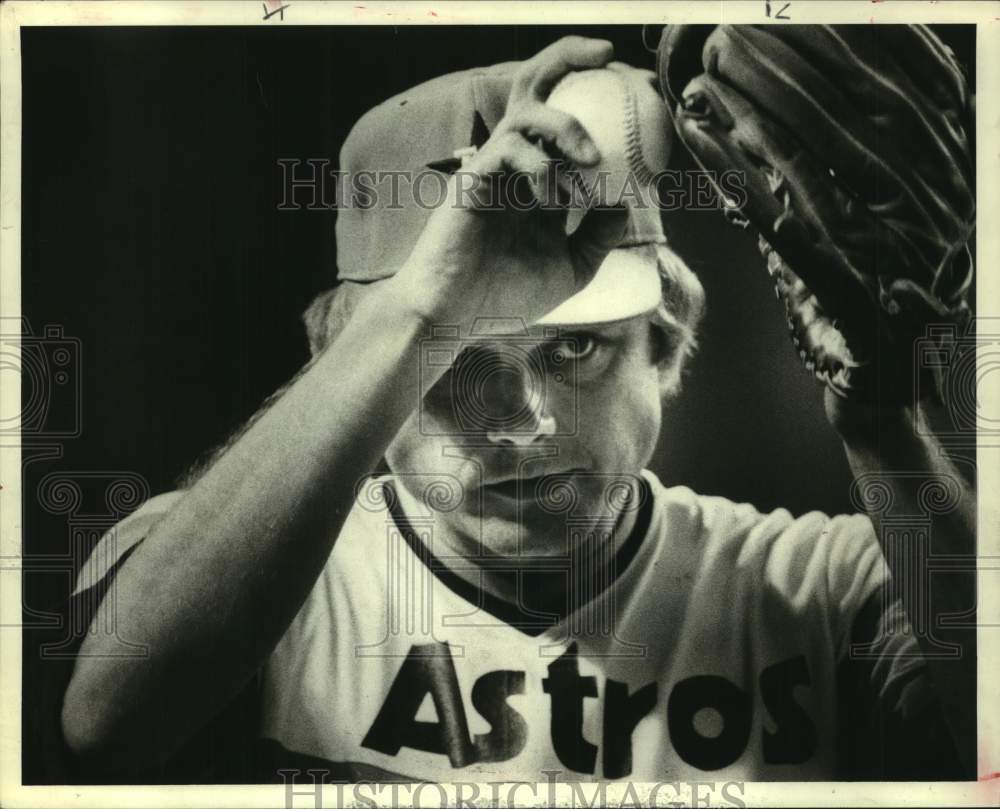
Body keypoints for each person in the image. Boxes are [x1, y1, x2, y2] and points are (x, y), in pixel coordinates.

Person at [42, 33, 974, 784]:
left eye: (575, 348)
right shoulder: (242, 583)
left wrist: (886, 424)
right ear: (354, 368)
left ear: (664, 341)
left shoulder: (829, 587)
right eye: (457, 362)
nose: (524, 420)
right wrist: (425, 302)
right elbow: (103, 727)